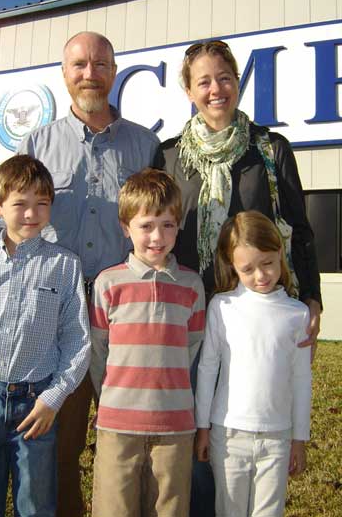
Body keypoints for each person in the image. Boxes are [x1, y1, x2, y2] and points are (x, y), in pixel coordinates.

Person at [0, 31, 159, 517]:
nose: (90, 73)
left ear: (114, 71)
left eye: (100, 64)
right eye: (79, 65)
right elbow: (8, 207)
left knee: (131, 437)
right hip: (55, 312)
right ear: (64, 74)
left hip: (125, 312)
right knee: (59, 446)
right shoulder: (37, 141)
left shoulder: (146, 144)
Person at [153, 39, 321, 515]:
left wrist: (311, 296)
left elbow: (300, 228)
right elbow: (151, 224)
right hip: (190, 315)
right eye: (203, 80)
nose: (216, 89)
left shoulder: (271, 150)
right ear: (188, 89)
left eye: (224, 77)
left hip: (256, 316)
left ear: (238, 82)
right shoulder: (167, 157)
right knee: (202, 428)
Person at [0, 155, 91, 517]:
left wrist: (53, 398)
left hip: (35, 405)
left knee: (36, 505)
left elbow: (77, 340)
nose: (31, 214)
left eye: (41, 204)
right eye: (19, 204)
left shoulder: (65, 265)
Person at [89, 168, 206, 517]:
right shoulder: (108, 284)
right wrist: (108, 398)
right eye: (146, 225)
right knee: (114, 509)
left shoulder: (191, 285)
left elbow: (192, 348)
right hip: (117, 425)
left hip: (175, 427)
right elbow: (99, 353)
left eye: (168, 225)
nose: (158, 236)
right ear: (126, 228)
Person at [195, 210, 312, 517]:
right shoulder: (222, 307)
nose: (260, 276)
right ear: (231, 266)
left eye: (268, 264)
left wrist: (299, 437)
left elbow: (301, 378)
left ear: (279, 253)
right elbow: (208, 369)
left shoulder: (297, 314)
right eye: (247, 269)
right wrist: (203, 427)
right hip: (229, 435)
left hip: (278, 437)